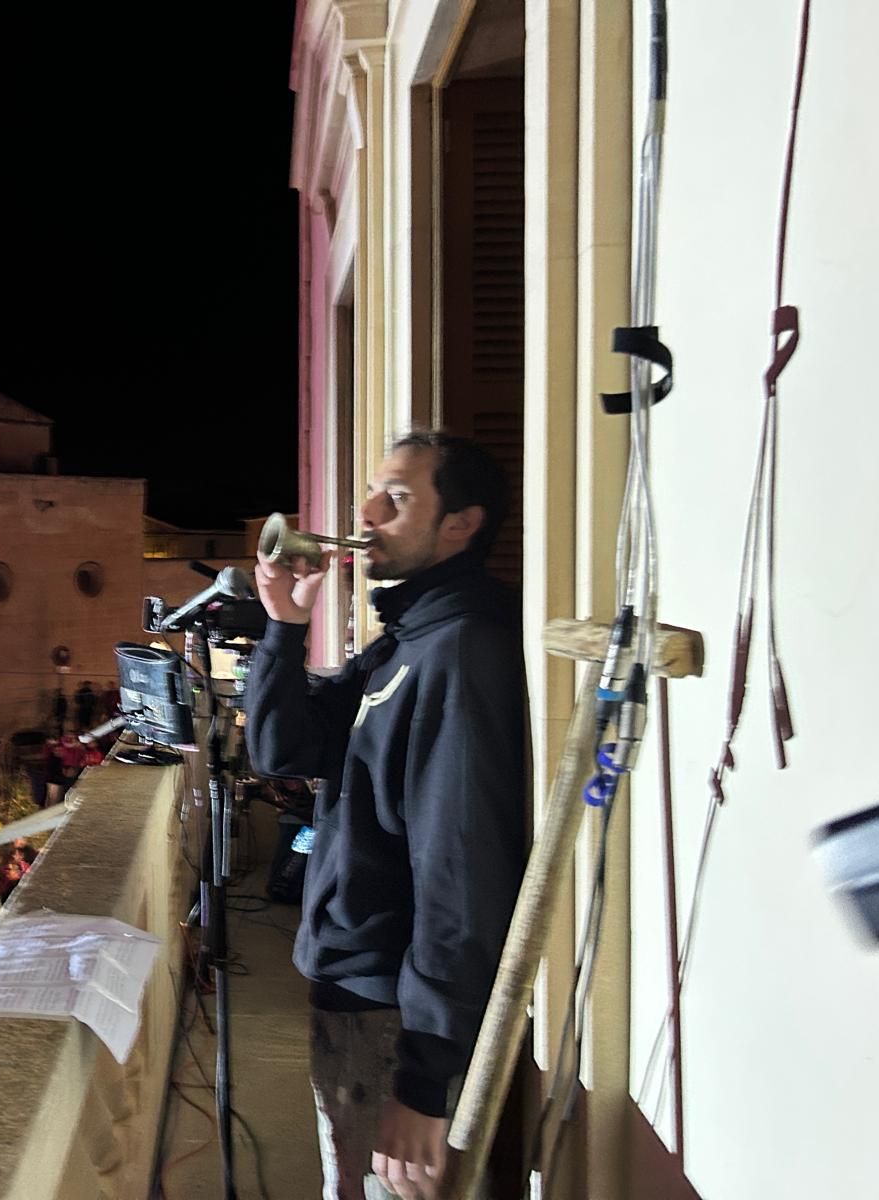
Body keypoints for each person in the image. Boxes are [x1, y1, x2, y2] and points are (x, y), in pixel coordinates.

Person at [245, 431, 526, 1200]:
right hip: (358, 1005)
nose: (365, 512)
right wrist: (283, 627)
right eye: (372, 492)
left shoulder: (461, 652)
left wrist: (426, 1081)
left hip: (394, 1021)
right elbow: (282, 751)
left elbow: (462, 872)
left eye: (397, 499)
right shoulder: (404, 642)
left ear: (461, 525)